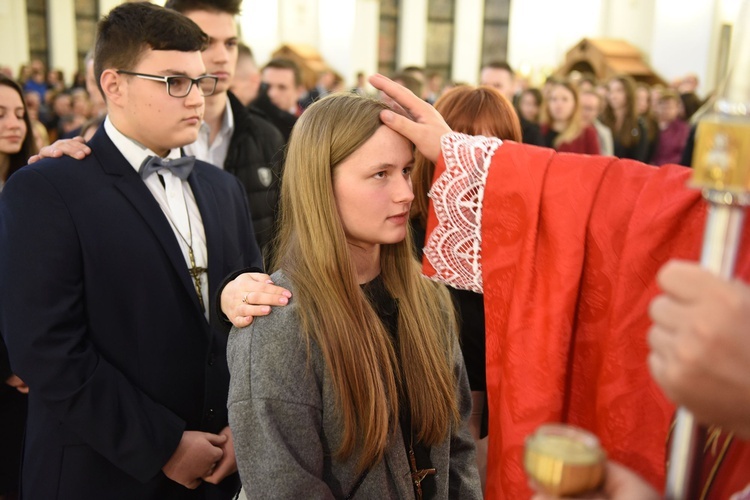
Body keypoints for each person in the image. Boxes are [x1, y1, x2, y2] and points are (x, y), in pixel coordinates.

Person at [365, 73, 750, 499]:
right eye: (381, 174)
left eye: (492, 144)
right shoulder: (409, 248)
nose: (400, 191)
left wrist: (471, 160)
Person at [0, 3, 263, 498]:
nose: (196, 99)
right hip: (100, 473)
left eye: (201, 82)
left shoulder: (223, 188)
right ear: (113, 84)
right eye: (173, 82)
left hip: (218, 468)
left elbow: (248, 318)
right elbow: (46, 349)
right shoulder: (47, 188)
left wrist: (240, 427)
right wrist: (163, 445)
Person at [226, 93, 482, 499]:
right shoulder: (278, 323)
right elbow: (286, 489)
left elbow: (457, 448)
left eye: (407, 170)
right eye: (381, 174)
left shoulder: (428, 299)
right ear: (321, 183)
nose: (405, 193)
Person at [411, 84, 522, 493]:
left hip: (495, 420)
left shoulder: (519, 239)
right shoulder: (404, 231)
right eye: (464, 142)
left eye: (493, 145)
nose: (477, 159)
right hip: (421, 418)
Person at [0, 73, 37, 500]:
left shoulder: (35, 183)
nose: (15, 123)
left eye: (20, 113)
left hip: (35, 381)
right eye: (1, 114)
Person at [480, 61, 543, 146]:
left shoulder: (530, 132)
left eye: (497, 85)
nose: (489, 91)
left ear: (513, 86)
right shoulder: (468, 123)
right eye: (484, 84)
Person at [539, 80, 600, 154]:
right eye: (553, 99)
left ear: (574, 103)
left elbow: (596, 163)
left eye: (565, 99)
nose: (558, 104)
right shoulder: (540, 130)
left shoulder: (587, 133)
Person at [601, 74, 649, 161]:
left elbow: (639, 159)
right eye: (610, 91)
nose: (613, 95)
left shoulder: (638, 125)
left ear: (629, 93)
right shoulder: (602, 120)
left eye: (619, 91)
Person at [649, 89, 690, 166]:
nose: (666, 110)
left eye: (670, 107)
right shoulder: (651, 125)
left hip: (672, 168)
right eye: (663, 106)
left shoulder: (683, 129)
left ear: (677, 109)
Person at [579, 89, 614, 156]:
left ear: (598, 111)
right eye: (581, 107)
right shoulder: (562, 128)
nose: (584, 112)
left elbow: (607, 160)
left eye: (589, 108)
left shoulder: (604, 133)